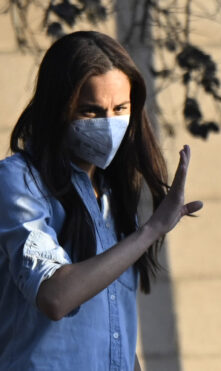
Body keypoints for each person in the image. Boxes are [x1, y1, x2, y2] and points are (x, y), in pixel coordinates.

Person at [0, 31, 203, 370]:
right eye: (91, 112)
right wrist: (151, 230)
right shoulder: (20, 181)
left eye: (120, 108)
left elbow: (115, 330)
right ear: (58, 110)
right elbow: (55, 296)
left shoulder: (112, 191)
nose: (109, 124)